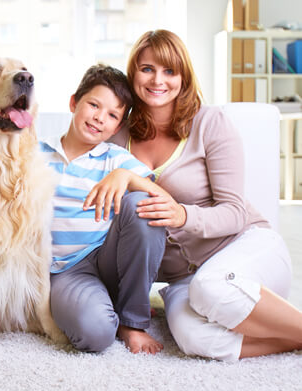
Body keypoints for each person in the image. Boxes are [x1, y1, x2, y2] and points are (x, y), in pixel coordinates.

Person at [94, 29, 301, 361]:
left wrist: (182, 215)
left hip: (245, 247)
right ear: (133, 74)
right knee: (194, 340)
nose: (157, 80)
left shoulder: (209, 123)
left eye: (169, 71)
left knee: (210, 288)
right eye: (147, 69)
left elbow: (234, 212)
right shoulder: (118, 136)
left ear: (183, 76)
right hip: (182, 279)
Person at [41, 64, 169, 355]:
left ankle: (133, 322)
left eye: (112, 115)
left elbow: (164, 201)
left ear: (119, 125)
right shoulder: (36, 152)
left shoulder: (116, 158)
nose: (100, 118)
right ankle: (103, 308)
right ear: (74, 102)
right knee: (96, 334)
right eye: (94, 105)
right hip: (66, 271)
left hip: (108, 258)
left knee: (143, 204)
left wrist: (127, 177)